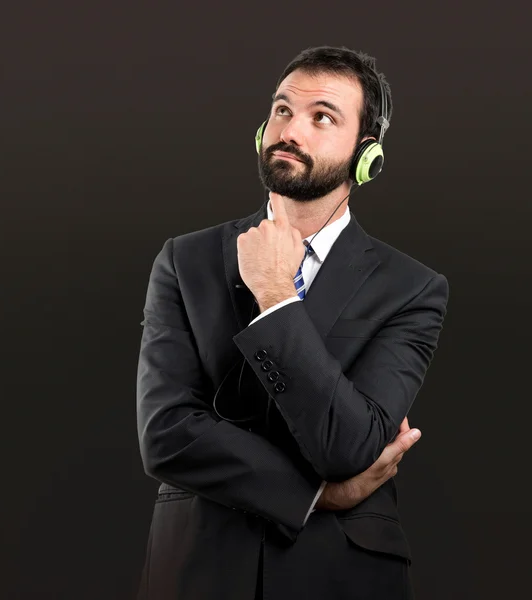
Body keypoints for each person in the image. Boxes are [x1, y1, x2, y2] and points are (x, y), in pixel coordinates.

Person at [136, 45, 449, 600]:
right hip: (199, 570)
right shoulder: (186, 260)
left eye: (321, 117)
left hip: (342, 575)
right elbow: (165, 435)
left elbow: (349, 448)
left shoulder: (413, 289)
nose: (291, 131)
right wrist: (318, 494)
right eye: (282, 110)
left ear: (366, 154)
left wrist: (276, 295)